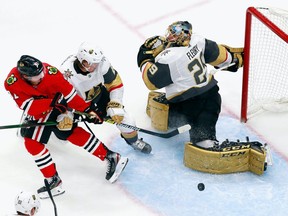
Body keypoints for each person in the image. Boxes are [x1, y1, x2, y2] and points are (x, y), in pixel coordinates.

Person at [4, 55, 129, 199]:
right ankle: (110, 156)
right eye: (37, 76)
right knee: (62, 134)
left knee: (38, 141)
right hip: (41, 107)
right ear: (25, 76)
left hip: (60, 104)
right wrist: (51, 104)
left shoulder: (51, 73)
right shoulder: (12, 82)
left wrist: (88, 111)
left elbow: (70, 95)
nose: (42, 75)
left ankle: (55, 181)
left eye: (42, 72)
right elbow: (29, 107)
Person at [137, 21, 244, 148]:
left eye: (175, 34)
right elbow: (221, 56)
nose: (170, 37)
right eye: (171, 33)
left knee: (181, 117)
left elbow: (151, 81)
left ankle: (203, 141)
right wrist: (236, 59)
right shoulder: (198, 40)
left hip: (185, 103)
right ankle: (204, 138)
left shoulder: (169, 58)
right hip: (211, 95)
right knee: (206, 115)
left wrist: (144, 58)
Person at [60, 42, 152, 154]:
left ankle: (133, 141)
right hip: (75, 105)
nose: (97, 66)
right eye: (93, 63)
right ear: (83, 61)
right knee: (64, 129)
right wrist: (66, 114)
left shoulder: (101, 63)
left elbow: (115, 83)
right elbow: (60, 99)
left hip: (98, 96)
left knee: (126, 119)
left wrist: (115, 101)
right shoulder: (65, 73)